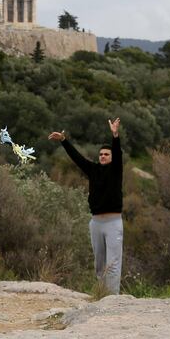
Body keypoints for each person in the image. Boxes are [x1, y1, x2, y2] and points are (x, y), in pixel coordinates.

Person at [49, 118, 123, 295]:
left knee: (112, 264)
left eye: (107, 154)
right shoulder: (93, 170)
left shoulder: (116, 170)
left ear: (112, 157)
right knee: (99, 264)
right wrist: (64, 141)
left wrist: (115, 135)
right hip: (96, 223)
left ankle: (113, 299)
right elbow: (77, 158)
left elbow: (118, 154)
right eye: (101, 154)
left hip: (113, 222)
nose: (103, 156)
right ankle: (101, 295)